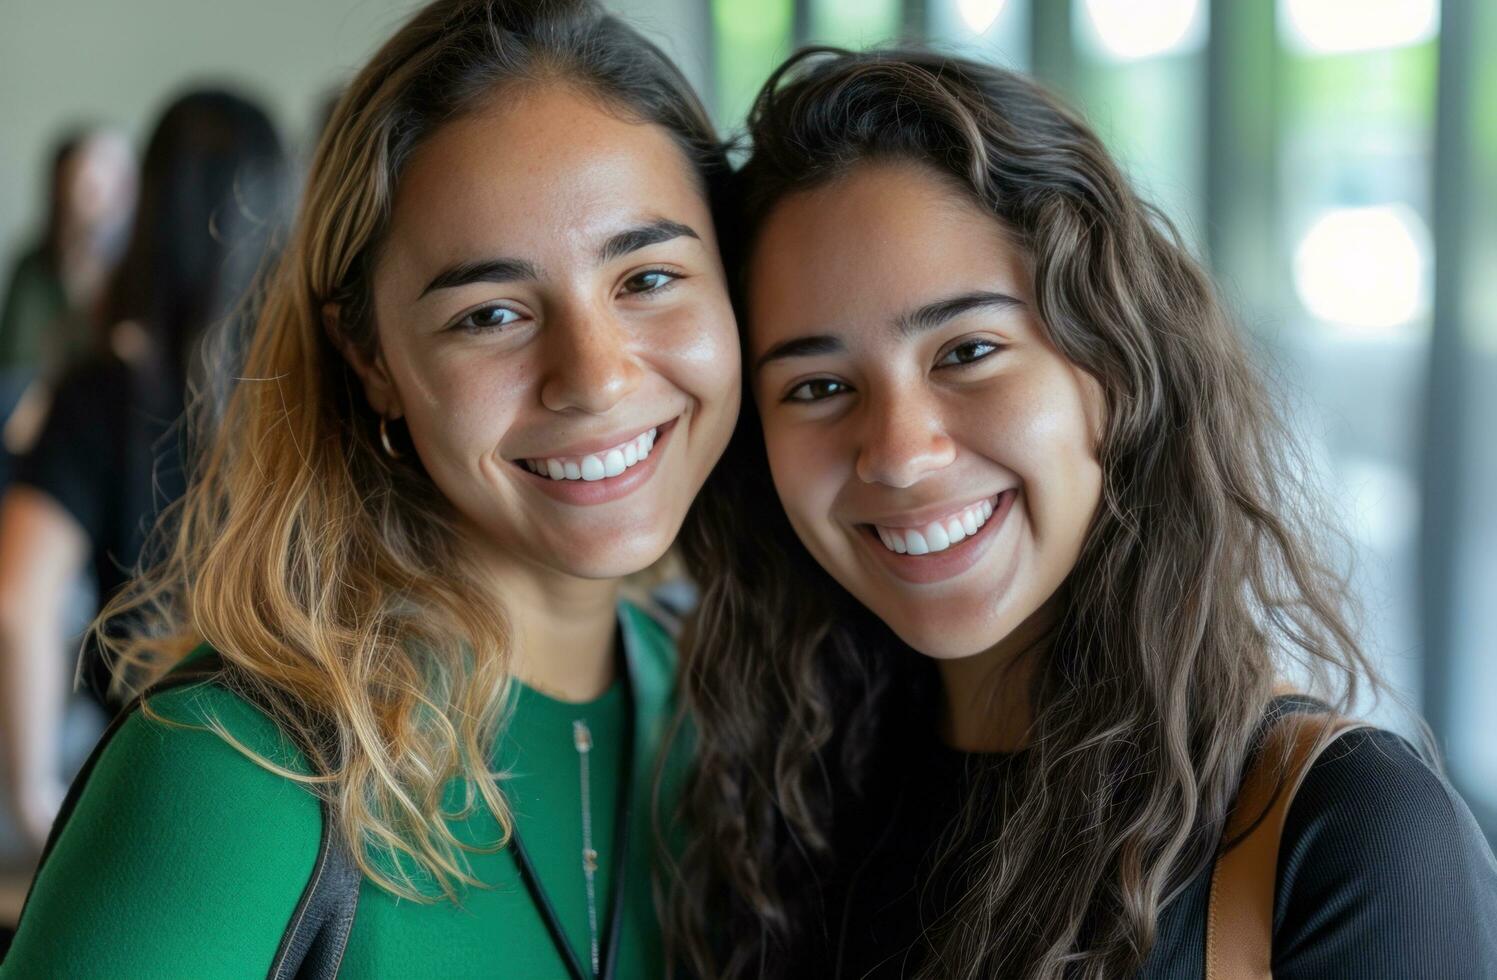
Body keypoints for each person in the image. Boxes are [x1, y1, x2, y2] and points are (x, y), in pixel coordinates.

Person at [668, 48, 1497, 979]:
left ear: (1112, 365)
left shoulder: (1344, 830)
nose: (898, 453)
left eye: (966, 350)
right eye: (817, 385)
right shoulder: (775, 806)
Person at [0, 0, 739, 976]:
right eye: (492, 312)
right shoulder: (232, 769)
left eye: (647, 277)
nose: (595, 376)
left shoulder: (733, 715)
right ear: (371, 355)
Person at [0, 89, 289, 855]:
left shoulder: (99, 391)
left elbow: (16, 603)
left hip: (145, 771)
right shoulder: (311, 388)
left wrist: (32, 799)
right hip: (301, 771)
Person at [0, 129, 135, 480]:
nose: (101, 196)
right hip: (37, 396)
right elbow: (19, 361)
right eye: (89, 181)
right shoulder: (34, 266)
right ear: (63, 186)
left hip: (97, 403)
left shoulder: (134, 270)